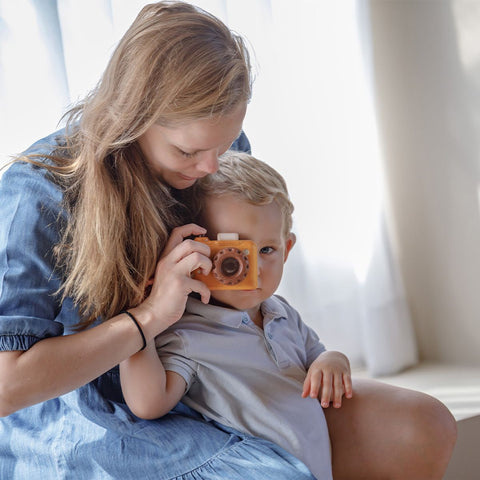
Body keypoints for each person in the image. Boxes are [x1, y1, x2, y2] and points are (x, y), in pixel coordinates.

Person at [0, 1, 456, 479]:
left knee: (422, 425)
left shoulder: (216, 153)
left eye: (224, 145)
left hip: (214, 378)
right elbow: (10, 386)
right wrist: (150, 317)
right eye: (189, 150)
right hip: (94, 412)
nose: (211, 168)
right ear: (132, 115)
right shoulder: (41, 192)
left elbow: (246, 283)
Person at [120, 151, 353, 480]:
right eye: (233, 254)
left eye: (267, 250)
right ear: (193, 251)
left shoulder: (282, 313)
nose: (253, 269)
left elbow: (317, 355)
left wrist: (334, 360)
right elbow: (148, 404)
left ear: (287, 250)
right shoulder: (189, 333)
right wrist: (143, 319)